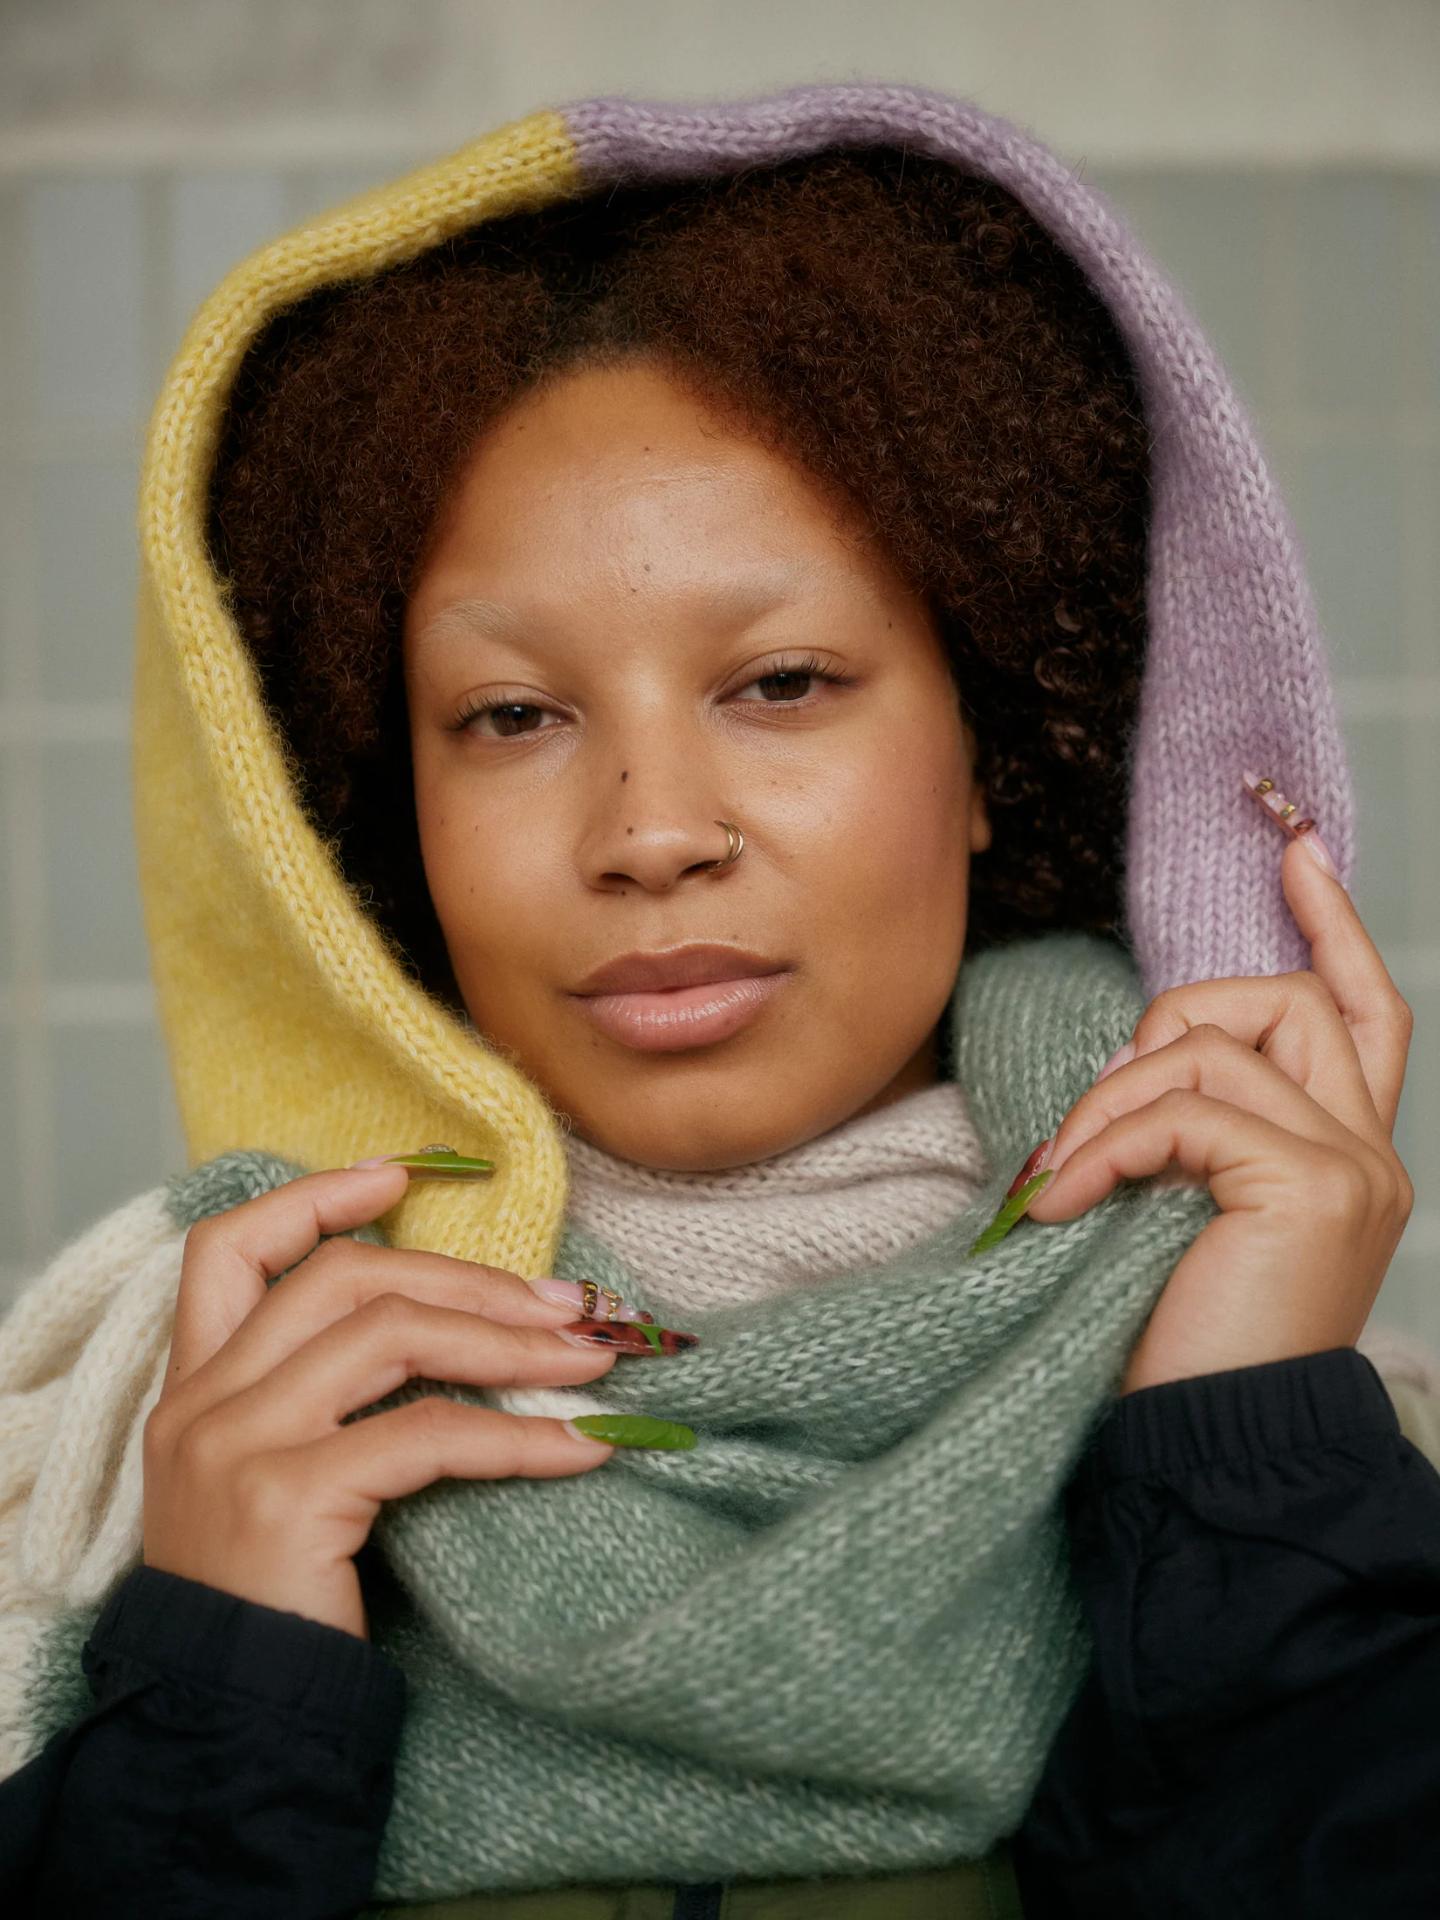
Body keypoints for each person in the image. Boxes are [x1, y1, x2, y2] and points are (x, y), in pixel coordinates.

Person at [1, 77, 1438, 1920]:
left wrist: (1250, 1460)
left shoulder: (1317, 1436)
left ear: (988, 747)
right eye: (512, 715)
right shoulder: (189, 1432)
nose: (652, 833)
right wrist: (216, 1692)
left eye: (781, 683)